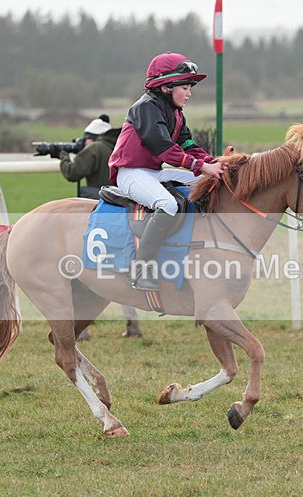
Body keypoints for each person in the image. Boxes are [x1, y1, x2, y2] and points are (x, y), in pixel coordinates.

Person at [108, 51, 225, 291]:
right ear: (166, 87)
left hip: (153, 173)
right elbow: (164, 148)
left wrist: (215, 163)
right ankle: (140, 270)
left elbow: (188, 146)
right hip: (130, 173)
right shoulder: (146, 108)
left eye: (190, 87)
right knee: (169, 204)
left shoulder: (175, 113)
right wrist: (201, 165)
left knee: (206, 180)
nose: (189, 93)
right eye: (185, 87)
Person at [61, 115, 143, 339]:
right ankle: (133, 323)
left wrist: (63, 157)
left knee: (88, 269)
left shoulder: (95, 149)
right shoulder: (122, 144)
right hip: (124, 211)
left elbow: (73, 173)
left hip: (97, 211)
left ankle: (82, 329)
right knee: (120, 267)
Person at [59, 114, 120, 200]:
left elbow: (72, 173)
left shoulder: (95, 148)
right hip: (118, 200)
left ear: (89, 139)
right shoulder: (117, 146)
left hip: (100, 201)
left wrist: (63, 155)